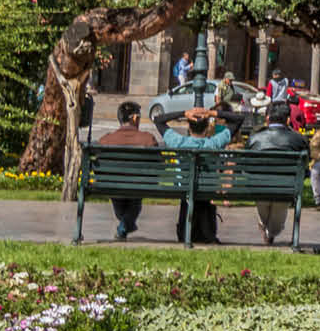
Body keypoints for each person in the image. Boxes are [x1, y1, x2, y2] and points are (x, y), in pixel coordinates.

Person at [153, 103, 240, 243]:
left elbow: (158, 120)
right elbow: (238, 119)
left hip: (185, 188)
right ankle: (208, 233)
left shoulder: (178, 142)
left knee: (189, 196)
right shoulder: (214, 143)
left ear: (188, 127)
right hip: (207, 188)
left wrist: (184, 113)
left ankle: (186, 232)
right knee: (204, 197)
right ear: (207, 128)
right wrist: (211, 113)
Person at [243, 106, 309, 245]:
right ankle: (269, 231)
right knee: (275, 228)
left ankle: (265, 228)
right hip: (286, 187)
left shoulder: (254, 138)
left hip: (258, 186)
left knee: (270, 220)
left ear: (267, 118)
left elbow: (245, 166)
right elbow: (305, 168)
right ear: (288, 119)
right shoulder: (299, 139)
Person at [97, 102, 160, 240]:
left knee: (120, 195)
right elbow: (158, 165)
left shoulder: (105, 140)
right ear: (135, 118)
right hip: (139, 185)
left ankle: (125, 222)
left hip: (111, 185)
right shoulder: (148, 139)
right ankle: (125, 224)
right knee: (135, 195)